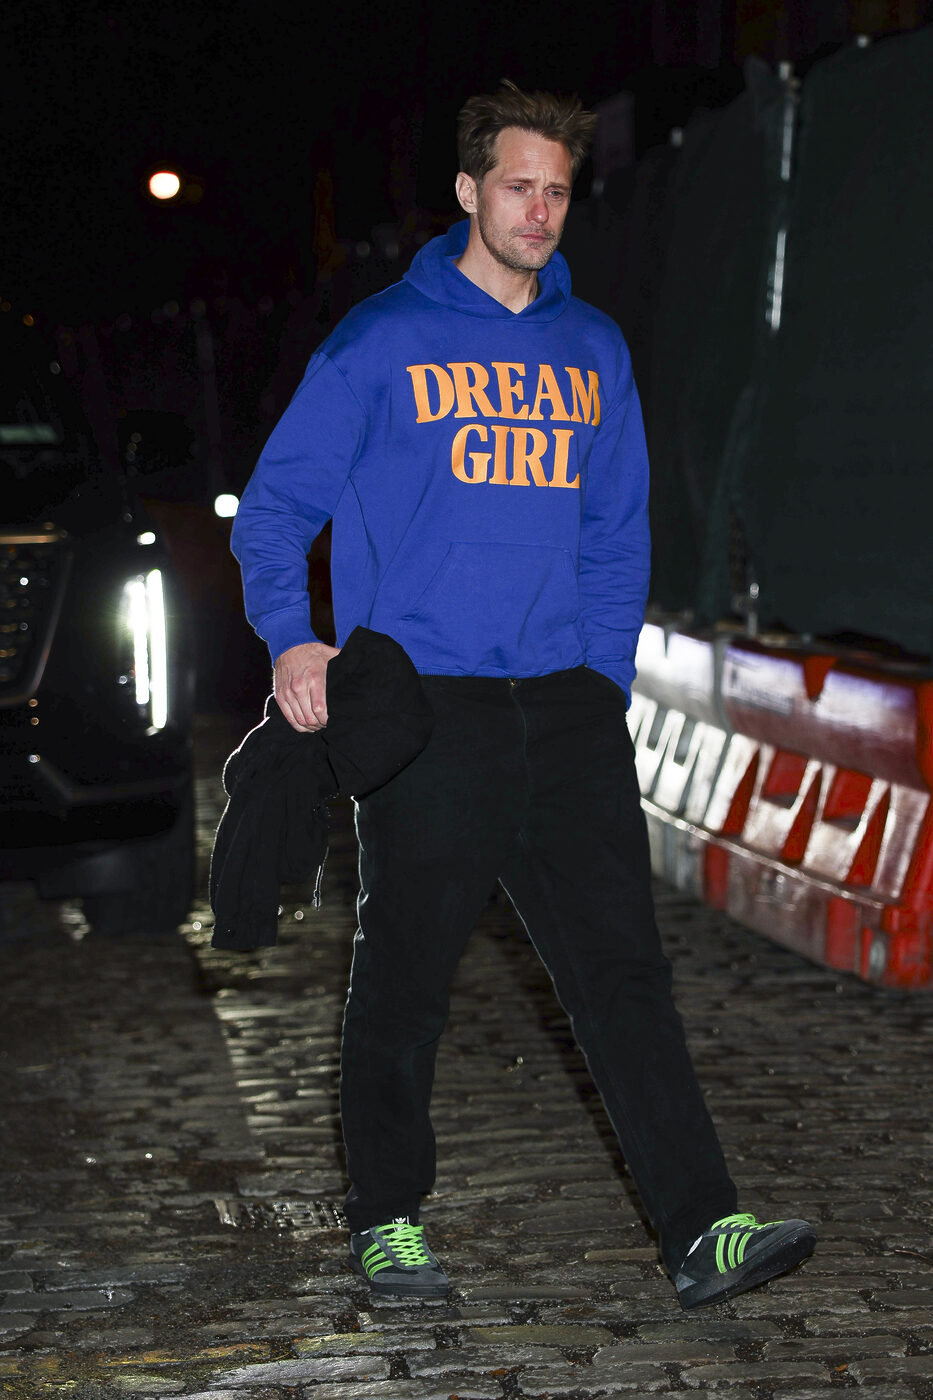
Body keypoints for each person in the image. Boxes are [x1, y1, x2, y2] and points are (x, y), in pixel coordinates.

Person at [231, 79, 816, 1310]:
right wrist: (292, 639)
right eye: (518, 186)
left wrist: (602, 681)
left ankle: (704, 1227)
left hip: (563, 709)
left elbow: (617, 534)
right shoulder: (382, 339)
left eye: (557, 190)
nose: (540, 210)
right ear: (468, 191)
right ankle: (388, 1215)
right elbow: (277, 509)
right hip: (424, 707)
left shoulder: (594, 349)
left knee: (626, 974)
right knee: (404, 976)